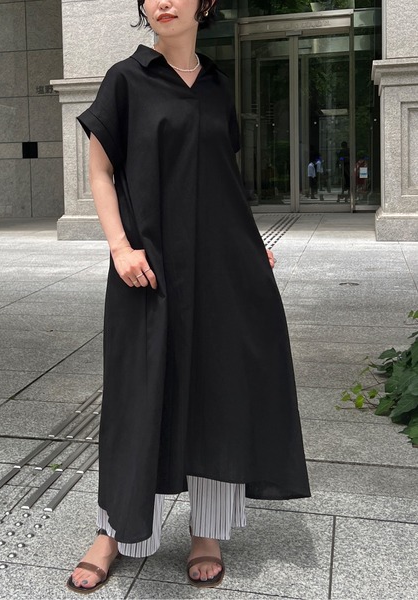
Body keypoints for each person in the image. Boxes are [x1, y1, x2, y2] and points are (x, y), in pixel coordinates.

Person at [68, 0, 310, 594]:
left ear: (205, 4)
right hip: (146, 268)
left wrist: (250, 245)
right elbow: (100, 173)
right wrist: (120, 248)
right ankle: (113, 531)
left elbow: (221, 180)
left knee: (217, 389)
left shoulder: (218, 87)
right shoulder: (126, 79)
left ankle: (209, 530)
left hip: (220, 267)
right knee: (136, 395)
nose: (163, 3)